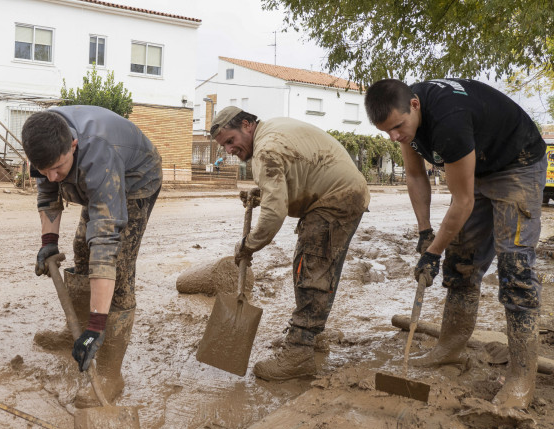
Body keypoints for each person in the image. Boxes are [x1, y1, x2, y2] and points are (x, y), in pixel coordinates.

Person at [365, 78, 546, 411]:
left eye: (397, 127)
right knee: (462, 261)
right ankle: (449, 347)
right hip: (477, 166)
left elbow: (462, 202)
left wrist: (432, 254)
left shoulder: (449, 121)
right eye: (386, 131)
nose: (394, 136)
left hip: (517, 163)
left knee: (515, 269)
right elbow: (416, 175)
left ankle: (522, 377)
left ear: (415, 105)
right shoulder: (405, 118)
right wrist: (425, 232)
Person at [210, 106, 370, 380]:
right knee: (311, 266)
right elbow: (295, 176)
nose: (228, 150)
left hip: (335, 199)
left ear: (247, 125)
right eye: (224, 145)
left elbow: (274, 214)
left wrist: (248, 245)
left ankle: (299, 353)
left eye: (230, 141)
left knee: (312, 271)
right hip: (340, 193)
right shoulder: (271, 131)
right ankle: (310, 335)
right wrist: (262, 193)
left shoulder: (265, 151)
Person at [22, 105, 161, 407]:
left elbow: (106, 244)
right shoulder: (45, 141)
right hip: (93, 177)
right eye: (43, 169)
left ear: (72, 146)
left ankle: (111, 373)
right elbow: (48, 193)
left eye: (58, 168)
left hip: (136, 178)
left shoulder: (97, 153)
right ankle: (76, 329)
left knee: (118, 268)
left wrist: (98, 325)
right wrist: (49, 241)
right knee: (81, 249)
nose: (51, 176)